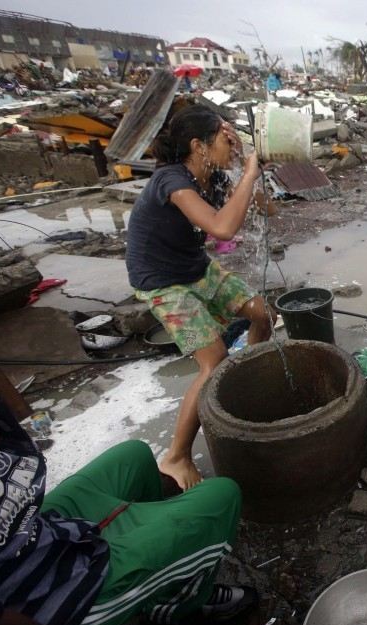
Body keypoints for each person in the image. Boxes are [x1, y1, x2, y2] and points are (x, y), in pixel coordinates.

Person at [0, 376, 256, 625]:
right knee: (220, 498)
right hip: (48, 597)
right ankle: (177, 612)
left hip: (28, 528)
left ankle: (162, 583)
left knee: (133, 455)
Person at [125, 105, 274, 491]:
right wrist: (249, 172)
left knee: (263, 316)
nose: (231, 144)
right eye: (225, 140)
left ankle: (239, 384)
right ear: (198, 145)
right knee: (212, 359)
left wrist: (246, 169)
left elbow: (266, 209)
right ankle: (176, 456)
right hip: (162, 282)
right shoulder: (170, 181)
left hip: (195, 268)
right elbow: (223, 228)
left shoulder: (214, 176)